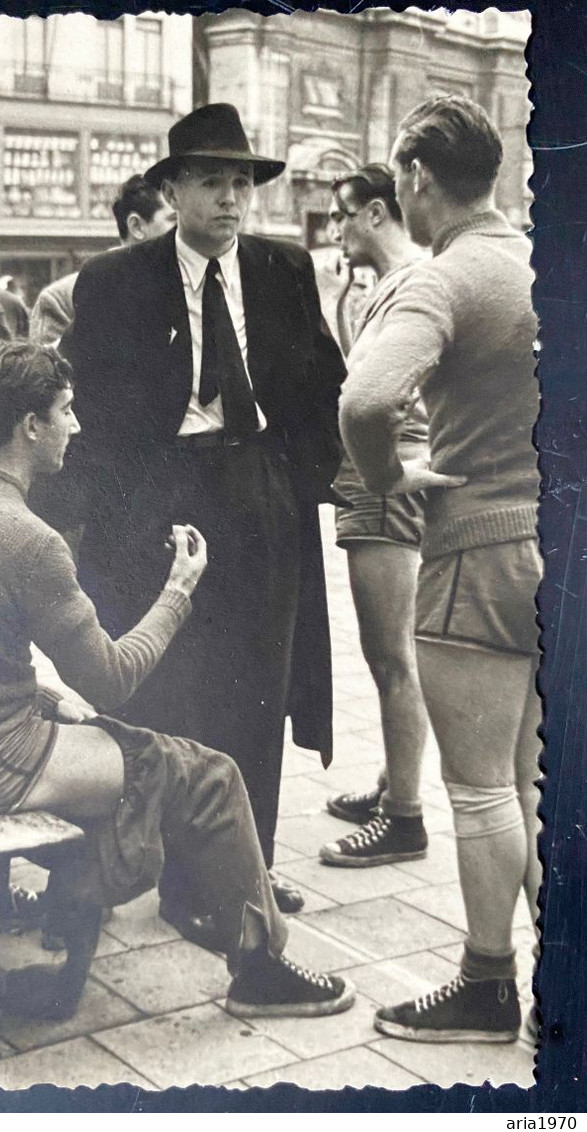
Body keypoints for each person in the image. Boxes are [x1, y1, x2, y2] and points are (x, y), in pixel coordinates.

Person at [0, 338, 356, 1027]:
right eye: (65, 411)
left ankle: (72, 927)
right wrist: (178, 592)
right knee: (206, 774)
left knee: (118, 751)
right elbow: (112, 680)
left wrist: (37, 696)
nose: (77, 425)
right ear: (29, 426)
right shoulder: (26, 536)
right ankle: (261, 968)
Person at [61, 104, 347, 938]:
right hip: (166, 498)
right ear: (172, 189)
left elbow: (322, 382)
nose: (231, 200)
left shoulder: (284, 269)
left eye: (242, 184)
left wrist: (304, 480)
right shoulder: (115, 281)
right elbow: (98, 418)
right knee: (182, 685)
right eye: (212, 183)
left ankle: (244, 869)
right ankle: (187, 882)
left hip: (260, 491)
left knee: (262, 680)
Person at [340, 95, 540, 1042]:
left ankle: (486, 984)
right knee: (538, 781)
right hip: (556, 543)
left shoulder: (445, 278)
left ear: (417, 179)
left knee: (480, 788)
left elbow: (366, 397)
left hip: (476, 554)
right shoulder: (544, 260)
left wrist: (391, 477)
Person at [318, 164, 432, 867]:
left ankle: (405, 817)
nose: (335, 228)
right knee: (389, 650)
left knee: (390, 654)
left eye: (342, 215)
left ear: (377, 214)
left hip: (385, 474)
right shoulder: (384, 287)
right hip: (374, 473)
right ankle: (396, 782)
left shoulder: (415, 283)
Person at [29, 174, 177, 346]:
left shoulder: (198, 291)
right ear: (136, 226)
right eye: (175, 220)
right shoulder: (61, 300)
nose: (186, 231)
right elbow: (45, 370)